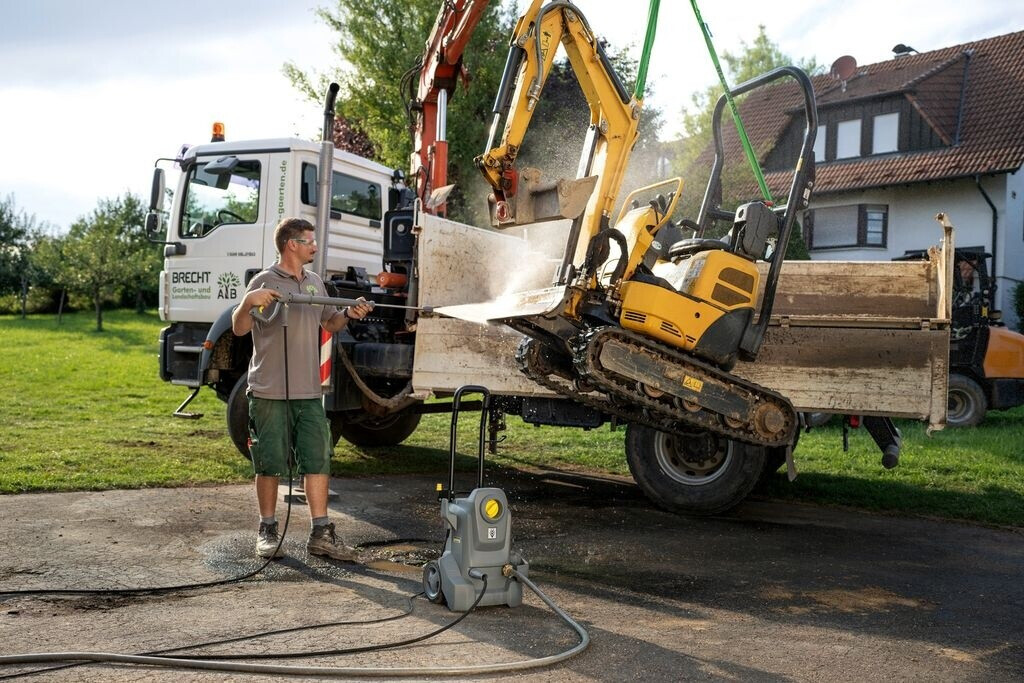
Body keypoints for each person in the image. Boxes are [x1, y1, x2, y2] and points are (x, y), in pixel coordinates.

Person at [231, 217, 373, 560]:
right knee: (268, 462)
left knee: (317, 459)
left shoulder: (314, 282)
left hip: (309, 392)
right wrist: (248, 301)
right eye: (309, 241)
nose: (315, 246)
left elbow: (330, 322)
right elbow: (239, 328)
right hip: (268, 390)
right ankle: (267, 530)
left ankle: (321, 534)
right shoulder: (264, 281)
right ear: (291, 244)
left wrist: (349, 313)